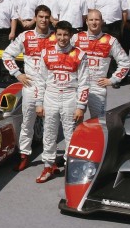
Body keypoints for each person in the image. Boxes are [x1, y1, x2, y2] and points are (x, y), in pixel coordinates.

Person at [34, 21, 90, 183]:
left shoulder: (80, 55)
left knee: (71, 135)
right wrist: (39, 103)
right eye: (59, 34)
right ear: (55, 35)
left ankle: (70, 166)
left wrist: (81, 106)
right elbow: (40, 81)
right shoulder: (46, 53)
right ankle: (48, 166)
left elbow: (84, 83)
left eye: (66, 34)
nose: (62, 38)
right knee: (49, 133)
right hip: (50, 97)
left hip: (70, 97)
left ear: (71, 35)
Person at [2, 4, 54, 171]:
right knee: (28, 122)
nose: (44, 20)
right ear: (35, 18)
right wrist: (18, 74)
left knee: (51, 124)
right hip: (31, 85)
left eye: (47, 17)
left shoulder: (57, 37)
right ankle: (24, 154)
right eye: (41, 17)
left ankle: (49, 160)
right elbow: (7, 55)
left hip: (51, 87)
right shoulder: (25, 36)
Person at [74, 9, 130, 118]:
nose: (94, 22)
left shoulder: (110, 40)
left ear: (102, 21)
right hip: (78, 85)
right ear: (86, 22)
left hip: (97, 86)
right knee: (75, 119)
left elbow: (125, 62)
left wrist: (113, 80)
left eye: (97, 20)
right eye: (91, 20)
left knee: (98, 121)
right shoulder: (76, 38)